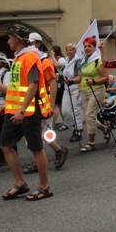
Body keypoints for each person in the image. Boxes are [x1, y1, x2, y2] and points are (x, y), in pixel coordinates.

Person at [0, 25, 54, 201]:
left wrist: (21, 110)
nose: (8, 41)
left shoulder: (29, 56)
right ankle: (20, 183)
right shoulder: (19, 58)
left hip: (28, 113)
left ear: (17, 39)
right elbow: (16, 87)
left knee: (36, 148)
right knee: (5, 144)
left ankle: (45, 187)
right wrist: (6, 105)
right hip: (14, 111)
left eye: (9, 38)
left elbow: (33, 84)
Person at [27, 34, 69, 172]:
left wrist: (51, 105)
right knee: (36, 134)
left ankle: (55, 152)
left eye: (31, 43)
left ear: (38, 44)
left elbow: (53, 83)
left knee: (42, 133)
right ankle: (57, 151)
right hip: (32, 103)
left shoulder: (44, 62)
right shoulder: (32, 60)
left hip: (42, 103)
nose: (28, 46)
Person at [65, 36, 110, 152]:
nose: (87, 48)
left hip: (97, 90)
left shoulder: (98, 60)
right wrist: (71, 81)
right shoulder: (84, 61)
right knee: (88, 116)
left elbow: (106, 78)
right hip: (84, 91)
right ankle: (104, 128)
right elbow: (80, 77)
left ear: (94, 48)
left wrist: (94, 81)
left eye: (89, 46)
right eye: (85, 46)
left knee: (89, 115)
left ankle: (91, 143)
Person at [60, 43, 83, 142]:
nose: (69, 52)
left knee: (76, 110)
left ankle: (78, 131)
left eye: (71, 50)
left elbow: (80, 76)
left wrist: (79, 89)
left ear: (75, 51)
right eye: (67, 50)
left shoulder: (78, 61)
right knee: (65, 111)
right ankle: (75, 126)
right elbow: (60, 70)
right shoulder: (65, 61)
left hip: (75, 87)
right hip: (66, 88)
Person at [49, 45, 66, 129]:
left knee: (57, 105)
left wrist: (52, 56)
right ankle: (64, 122)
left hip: (60, 84)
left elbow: (57, 65)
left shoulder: (61, 59)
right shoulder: (51, 60)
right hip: (55, 83)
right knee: (58, 105)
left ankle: (52, 124)